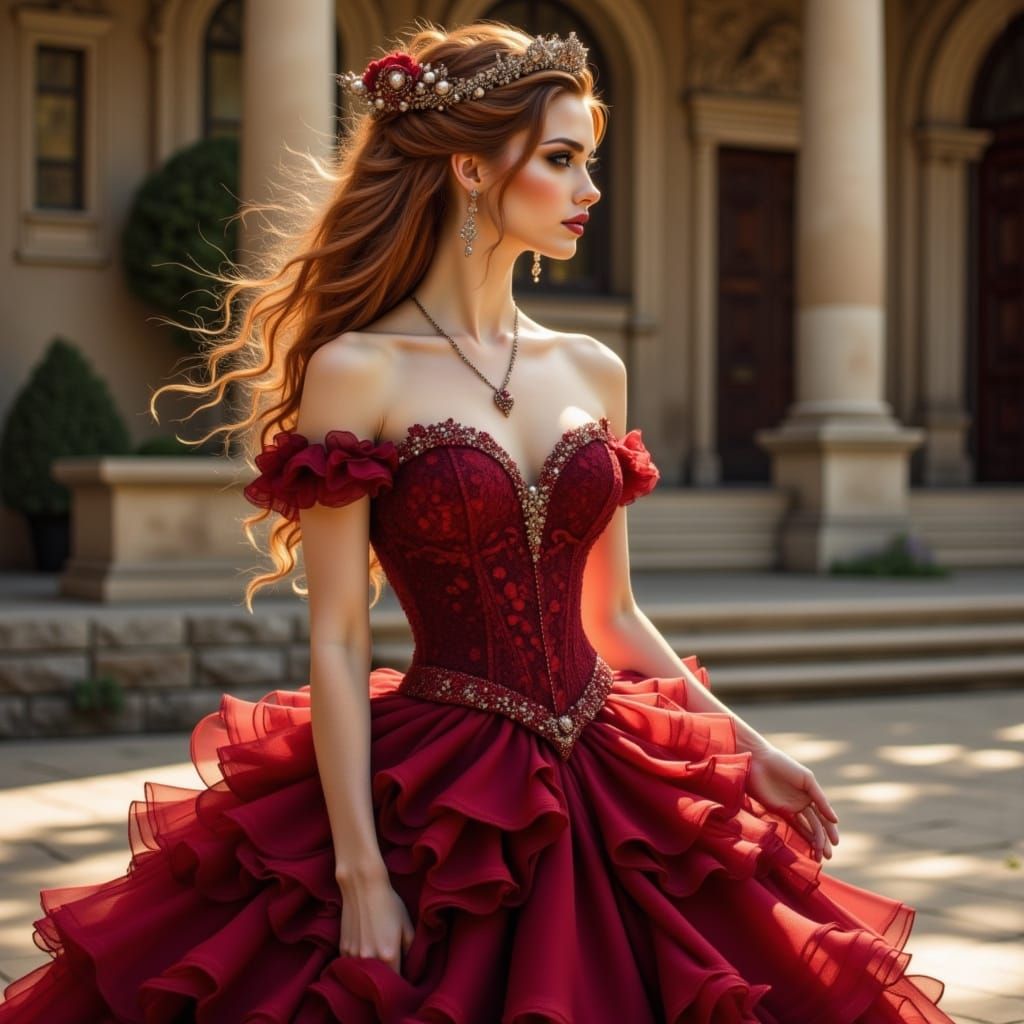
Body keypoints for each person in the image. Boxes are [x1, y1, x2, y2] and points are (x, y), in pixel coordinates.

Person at [0, 19, 955, 1024]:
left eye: (589, 160)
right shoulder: (356, 371)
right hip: (441, 791)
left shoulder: (594, 368)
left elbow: (615, 613)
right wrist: (362, 870)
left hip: (613, 766)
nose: (589, 190)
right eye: (559, 159)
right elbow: (334, 635)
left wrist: (746, 742)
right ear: (466, 168)